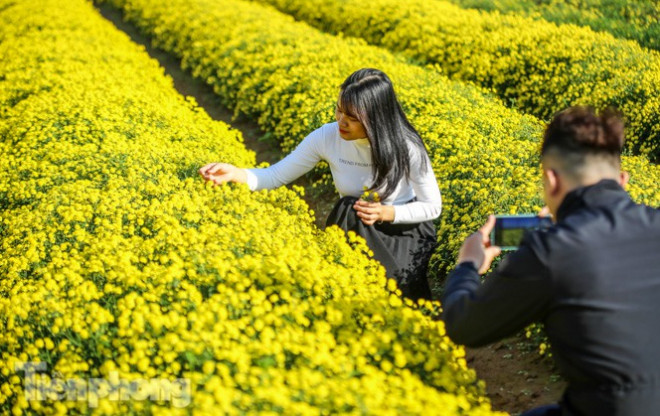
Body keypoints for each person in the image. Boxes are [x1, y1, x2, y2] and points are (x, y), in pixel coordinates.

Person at [442, 106, 660, 416]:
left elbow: (464, 326)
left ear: (551, 180)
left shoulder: (552, 250)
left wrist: (468, 265)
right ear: (622, 180)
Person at [199, 68, 442, 301]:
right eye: (339, 111)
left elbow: (432, 206)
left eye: (352, 118)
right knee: (349, 208)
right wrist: (235, 173)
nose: (341, 122)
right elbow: (275, 175)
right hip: (360, 225)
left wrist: (389, 212)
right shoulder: (327, 137)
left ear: (377, 118)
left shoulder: (406, 146)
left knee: (397, 289)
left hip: (405, 228)